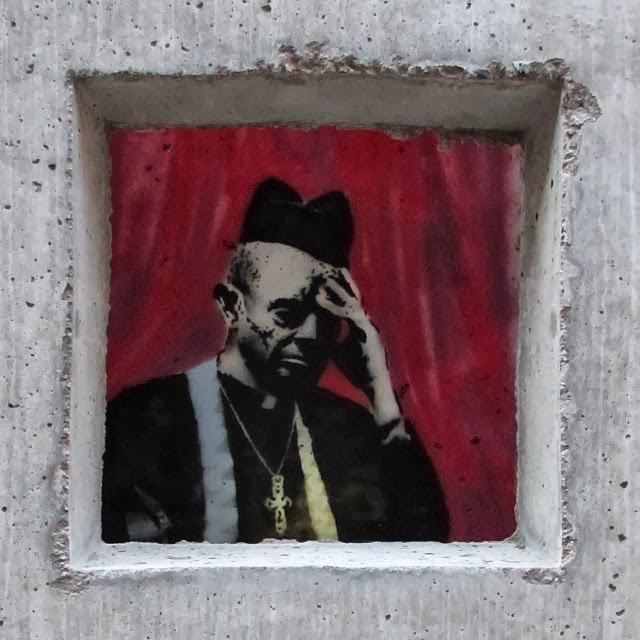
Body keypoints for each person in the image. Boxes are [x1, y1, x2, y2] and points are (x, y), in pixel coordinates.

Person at [102, 177, 449, 544]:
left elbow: (424, 546)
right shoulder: (145, 420)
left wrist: (382, 398)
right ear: (231, 307)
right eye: (287, 314)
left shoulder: (348, 429)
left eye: (328, 321)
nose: (312, 336)